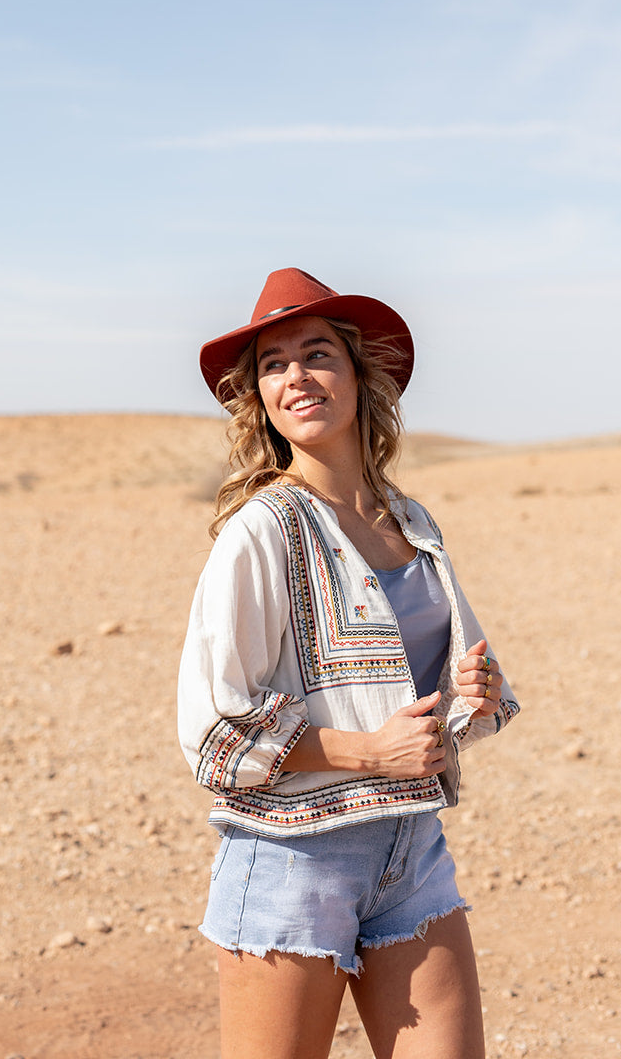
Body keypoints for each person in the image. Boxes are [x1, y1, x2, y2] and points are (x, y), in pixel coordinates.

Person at [178, 268, 519, 1059]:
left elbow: (406, 690)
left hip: (411, 847)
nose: (296, 376)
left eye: (316, 353)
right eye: (273, 363)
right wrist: (371, 752)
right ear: (257, 396)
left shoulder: (410, 520)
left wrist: (470, 694)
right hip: (294, 855)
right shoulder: (259, 530)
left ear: (359, 376)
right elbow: (215, 733)